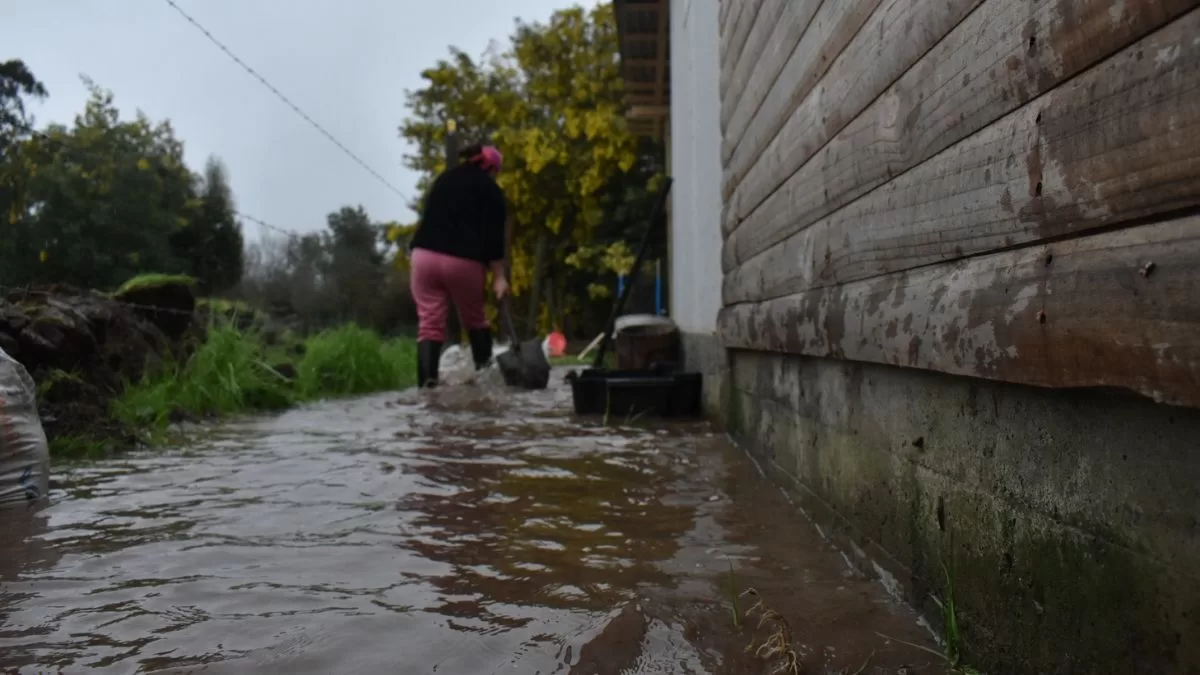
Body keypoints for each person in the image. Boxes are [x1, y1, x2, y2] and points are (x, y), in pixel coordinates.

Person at [408, 143, 510, 388]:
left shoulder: (444, 178)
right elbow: (495, 240)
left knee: (429, 325)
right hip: (463, 263)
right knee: (475, 320)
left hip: (423, 257)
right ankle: (486, 385)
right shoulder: (492, 191)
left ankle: (426, 390)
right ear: (491, 168)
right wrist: (499, 277)